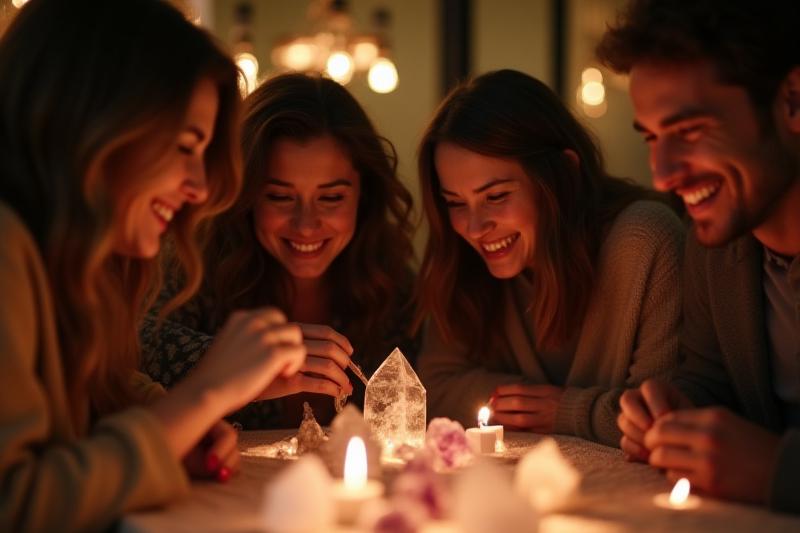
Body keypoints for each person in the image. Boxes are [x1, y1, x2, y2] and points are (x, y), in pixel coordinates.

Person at [0, 1, 307, 530]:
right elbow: (15, 503)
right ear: (93, 120)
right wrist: (205, 394)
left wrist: (171, 431)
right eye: (185, 147)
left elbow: (101, 387)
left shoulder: (74, 266)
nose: (200, 187)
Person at [597, 0, 800, 513]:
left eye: (688, 132)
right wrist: (675, 409)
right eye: (651, 137)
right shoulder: (715, 246)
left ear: (793, 102)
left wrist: (778, 470)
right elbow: (712, 375)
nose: (662, 175)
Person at [415, 69, 685, 447]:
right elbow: (431, 390)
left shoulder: (644, 241)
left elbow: (665, 420)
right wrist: (537, 404)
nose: (474, 227)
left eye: (496, 197)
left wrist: (566, 410)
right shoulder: (463, 259)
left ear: (563, 177)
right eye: (456, 203)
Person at [141, 72, 418, 428]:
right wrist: (241, 367)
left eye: (331, 198)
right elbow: (128, 348)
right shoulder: (193, 266)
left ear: (364, 195)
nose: (305, 224)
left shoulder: (394, 286)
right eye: (280, 197)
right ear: (245, 194)